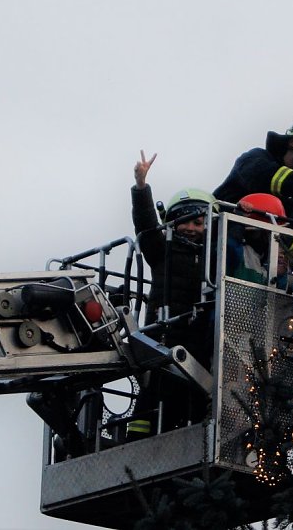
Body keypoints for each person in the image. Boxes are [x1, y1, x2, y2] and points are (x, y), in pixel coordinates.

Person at [126, 151, 215, 440]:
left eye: (198, 222)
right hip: (165, 336)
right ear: (171, 225)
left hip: (199, 339)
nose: (190, 228)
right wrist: (141, 187)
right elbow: (145, 224)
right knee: (154, 396)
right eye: (183, 222)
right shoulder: (163, 250)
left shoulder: (217, 257)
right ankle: (135, 443)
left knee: (194, 398)